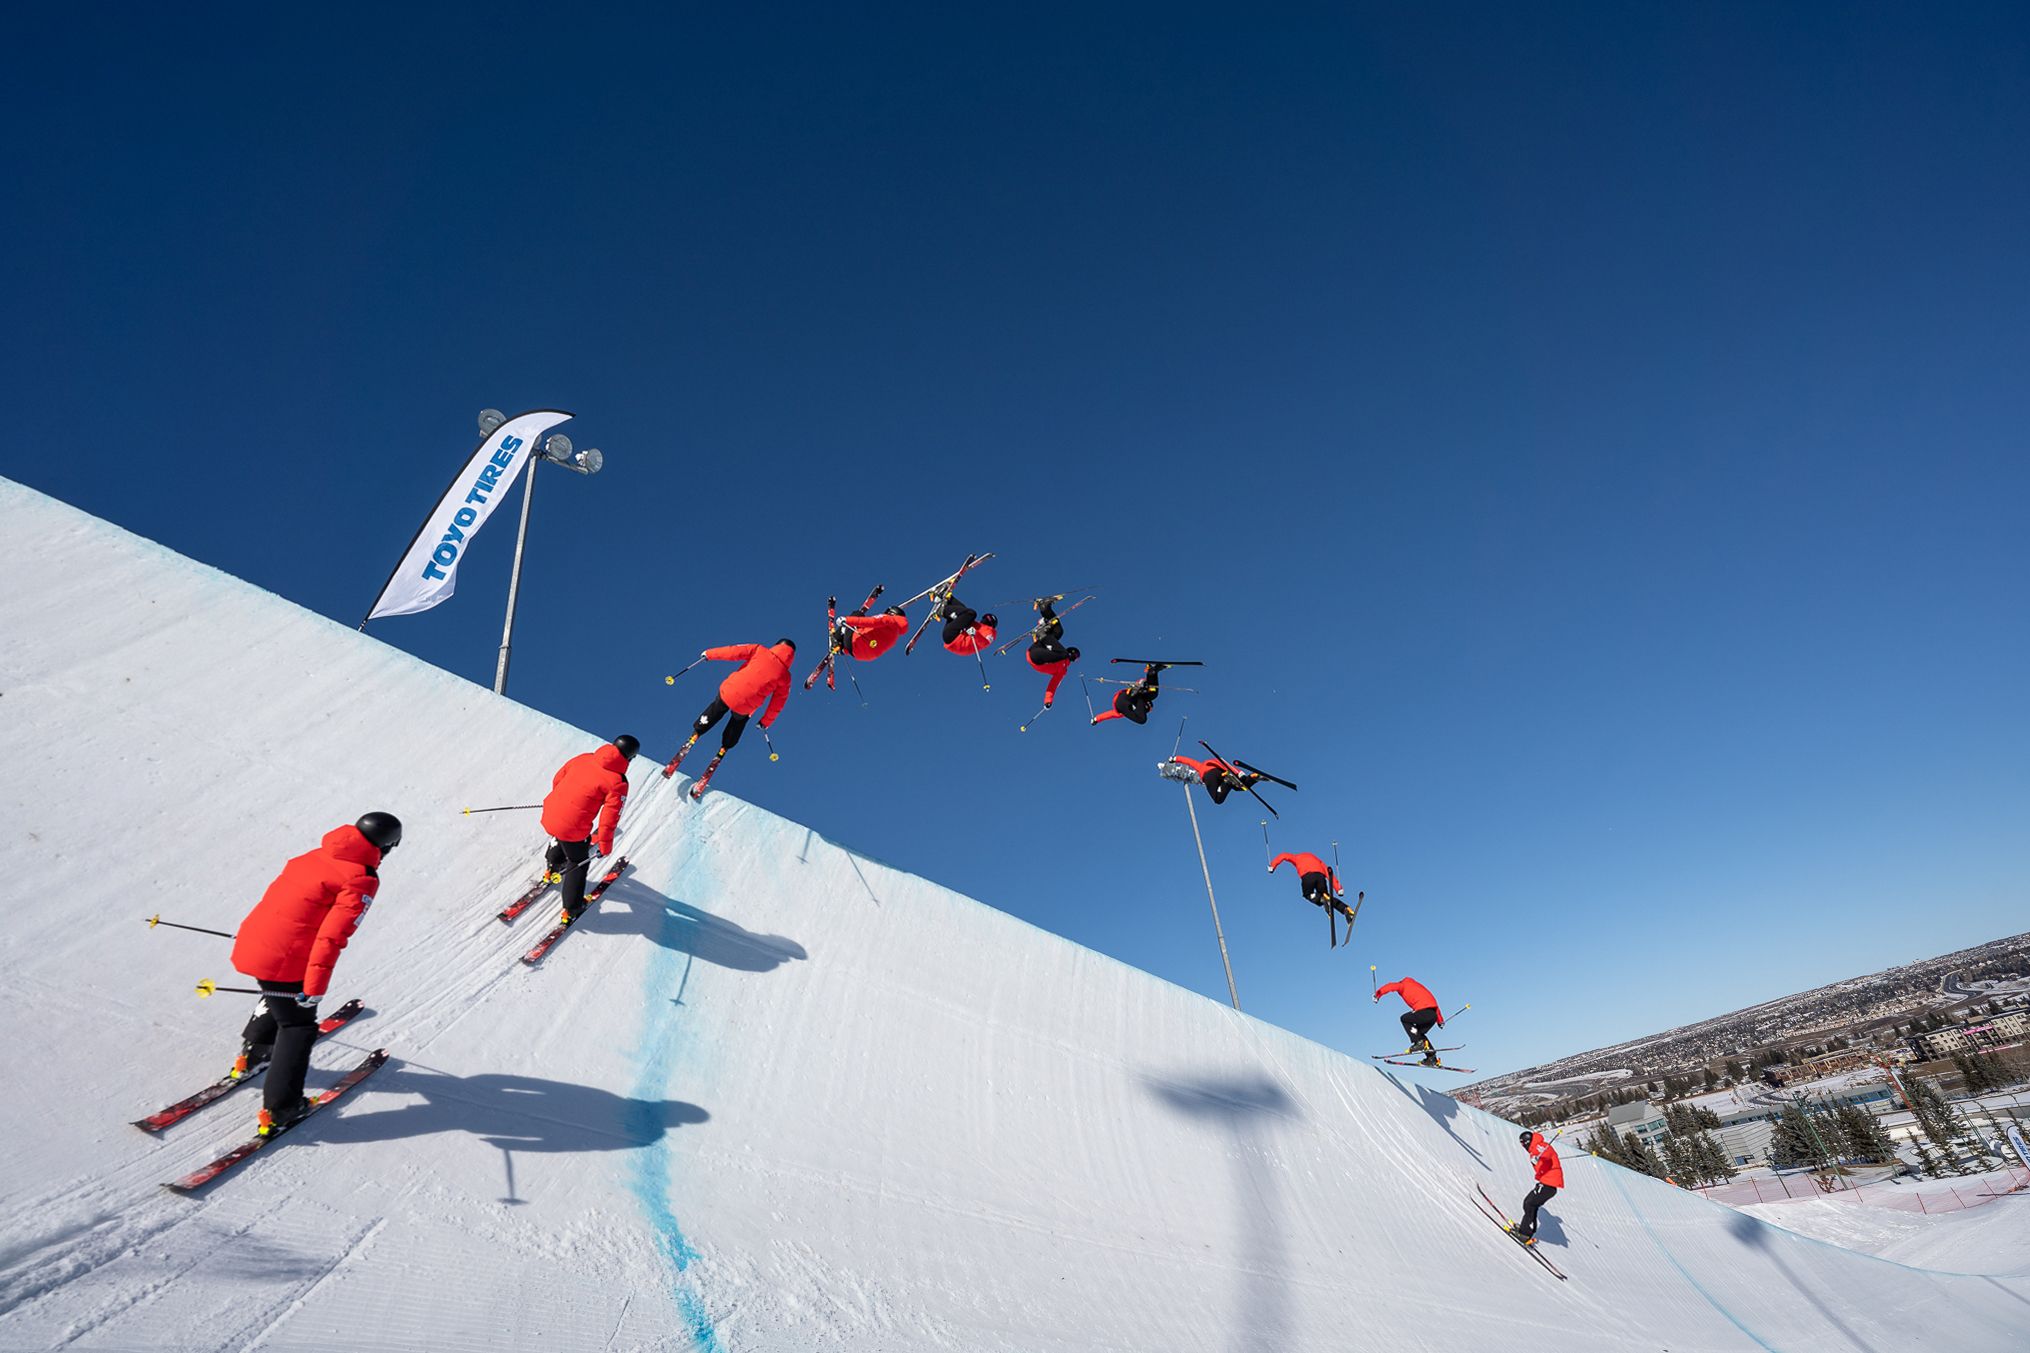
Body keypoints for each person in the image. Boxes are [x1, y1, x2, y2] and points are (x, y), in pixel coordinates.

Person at [228, 811, 402, 1135]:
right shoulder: (361, 878)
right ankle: (282, 1108)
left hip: (255, 942)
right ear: (387, 846)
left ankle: (255, 1053)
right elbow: (331, 938)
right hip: (284, 958)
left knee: (277, 995)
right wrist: (314, 988)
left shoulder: (314, 855)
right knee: (298, 1026)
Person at [541, 735, 636, 923]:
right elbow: (609, 819)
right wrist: (605, 846)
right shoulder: (618, 781)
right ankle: (572, 908)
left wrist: (560, 802)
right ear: (630, 758)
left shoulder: (584, 757)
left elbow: (558, 779)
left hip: (550, 812)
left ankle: (552, 866)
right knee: (579, 861)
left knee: (564, 834)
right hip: (571, 826)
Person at [668, 640, 796, 776]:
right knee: (737, 723)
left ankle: (697, 732)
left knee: (716, 708)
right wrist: (765, 722)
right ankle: (725, 747)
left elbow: (733, 651)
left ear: (776, 646)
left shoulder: (759, 650)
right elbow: (778, 703)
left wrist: (709, 654)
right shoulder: (785, 676)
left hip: (730, 691)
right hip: (747, 706)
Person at [1374, 975, 1446, 1066]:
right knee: (1418, 1033)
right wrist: (1440, 1021)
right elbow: (1435, 1006)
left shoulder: (1403, 985)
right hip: (1432, 1015)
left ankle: (1419, 1043)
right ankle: (1432, 1058)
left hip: (1424, 1012)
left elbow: (1391, 986)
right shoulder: (1419, 987)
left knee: (1404, 1019)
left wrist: (1378, 994)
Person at [1024, 598, 1081, 707]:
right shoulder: (1061, 654)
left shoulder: (1062, 670)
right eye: (1075, 655)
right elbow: (1058, 648)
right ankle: (1045, 608)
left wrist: (1048, 700)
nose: (1073, 657)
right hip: (1039, 647)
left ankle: (1042, 632)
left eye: (1075, 657)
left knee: (1061, 652)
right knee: (1059, 632)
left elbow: (1053, 685)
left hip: (1036, 658)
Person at [1516, 1130, 1564, 1245]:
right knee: (1531, 1204)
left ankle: (1525, 1233)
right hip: (1547, 1184)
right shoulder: (1535, 1148)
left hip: (1548, 1184)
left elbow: (1546, 1153)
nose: (1523, 1147)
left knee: (1529, 1203)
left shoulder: (1540, 1146)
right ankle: (1526, 1230)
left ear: (1528, 1142)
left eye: (1523, 1144)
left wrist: (1538, 1155)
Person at [1172, 753, 1261, 805]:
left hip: (1209, 776)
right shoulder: (1217, 762)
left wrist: (1175, 759)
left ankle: (1228, 782)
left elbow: (1189, 762)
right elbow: (1228, 766)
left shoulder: (1200, 766)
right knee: (1240, 787)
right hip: (1221, 773)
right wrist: (1240, 774)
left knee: (1218, 799)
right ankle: (1254, 778)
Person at [835, 601, 910, 661]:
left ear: (891, 613)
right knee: (858, 630)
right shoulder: (895, 635)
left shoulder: (889, 619)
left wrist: (847, 620)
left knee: (857, 614)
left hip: (854, 643)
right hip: (860, 655)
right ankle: (841, 649)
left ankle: (835, 639)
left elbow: (871, 621)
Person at [1092, 663, 1162, 725]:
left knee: (1153, 694)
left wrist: (1096, 719)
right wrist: (1097, 719)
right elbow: (1110, 714)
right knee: (1142, 717)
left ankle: (1151, 673)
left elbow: (1110, 714)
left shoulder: (1128, 710)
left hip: (1124, 698)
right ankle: (1150, 674)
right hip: (1126, 698)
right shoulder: (1134, 707)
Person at [940, 591, 998, 656]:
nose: (983, 620)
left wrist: (975, 634)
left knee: (971, 613)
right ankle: (945, 597)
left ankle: (943, 610)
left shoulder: (991, 632)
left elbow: (984, 642)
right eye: (984, 618)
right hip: (951, 635)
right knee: (963, 611)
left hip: (954, 640)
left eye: (987, 619)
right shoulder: (977, 626)